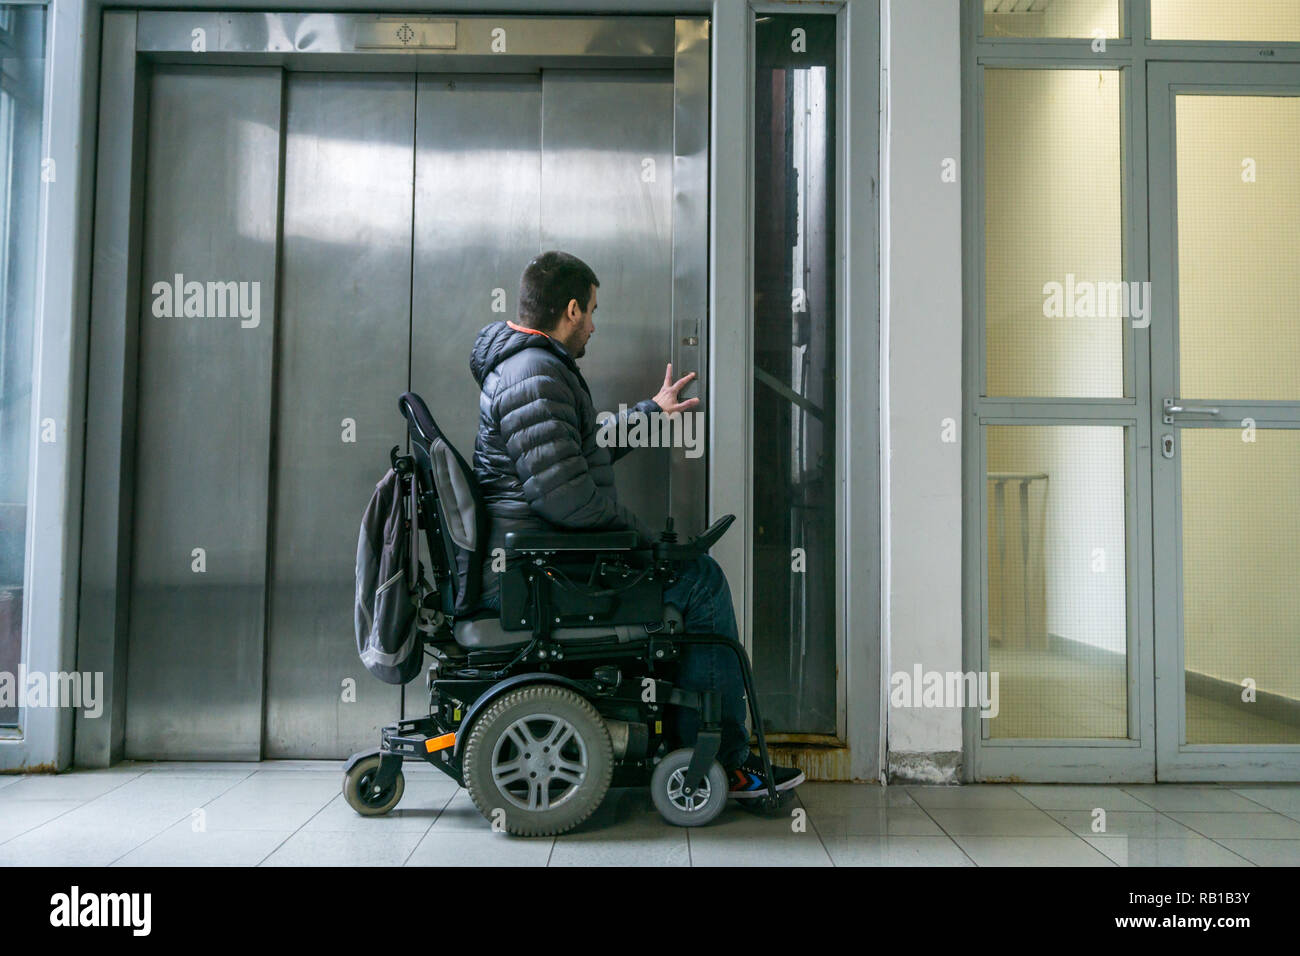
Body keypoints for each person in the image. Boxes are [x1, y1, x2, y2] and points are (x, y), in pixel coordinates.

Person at [469, 250, 803, 797]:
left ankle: (695, 745)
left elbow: (572, 456)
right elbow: (566, 497)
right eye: (593, 311)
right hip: (546, 572)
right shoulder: (534, 372)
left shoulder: (532, 368)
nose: (595, 325)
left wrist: (649, 413)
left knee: (694, 573)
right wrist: (645, 546)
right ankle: (722, 760)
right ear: (571, 309)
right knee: (702, 583)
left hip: (545, 562)